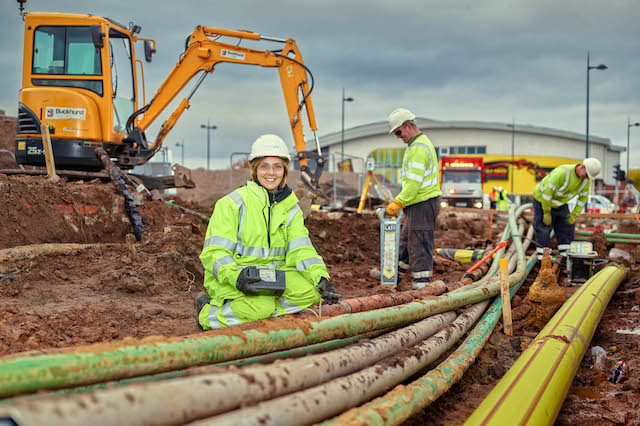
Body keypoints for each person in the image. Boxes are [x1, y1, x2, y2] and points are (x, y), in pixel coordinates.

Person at [194, 134, 340, 330]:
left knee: (311, 292)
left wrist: (321, 278)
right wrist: (236, 278)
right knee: (261, 306)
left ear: (285, 171)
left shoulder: (291, 208)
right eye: (265, 166)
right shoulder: (232, 204)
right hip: (235, 277)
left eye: (277, 166)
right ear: (254, 170)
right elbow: (214, 254)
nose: (271, 172)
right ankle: (208, 314)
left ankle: (257, 312)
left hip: (271, 277)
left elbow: (302, 249)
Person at [385, 109, 442, 289]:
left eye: (398, 132)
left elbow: (414, 183)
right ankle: (393, 275)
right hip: (418, 203)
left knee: (420, 244)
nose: (398, 137)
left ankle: (422, 286)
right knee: (405, 241)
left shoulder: (418, 148)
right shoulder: (417, 145)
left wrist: (399, 201)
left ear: (408, 126)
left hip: (423, 203)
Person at [532, 157, 601, 266]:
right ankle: (543, 260)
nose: (586, 178)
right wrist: (546, 212)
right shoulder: (562, 173)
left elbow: (582, 199)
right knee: (543, 228)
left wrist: (574, 215)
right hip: (542, 200)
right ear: (582, 167)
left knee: (566, 227)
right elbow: (547, 193)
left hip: (560, 203)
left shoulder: (585, 181)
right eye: (586, 175)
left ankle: (565, 259)